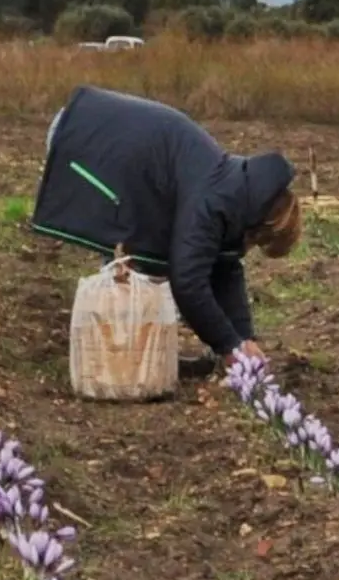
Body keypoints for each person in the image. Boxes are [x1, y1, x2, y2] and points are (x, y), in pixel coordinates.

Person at [31, 85, 301, 374]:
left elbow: (225, 266)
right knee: (132, 257)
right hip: (87, 137)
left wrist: (244, 338)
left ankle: (130, 354)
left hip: (110, 135)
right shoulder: (213, 202)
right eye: (260, 243)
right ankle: (120, 360)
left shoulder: (236, 189)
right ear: (261, 226)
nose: (251, 247)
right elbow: (189, 282)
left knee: (143, 253)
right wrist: (229, 347)